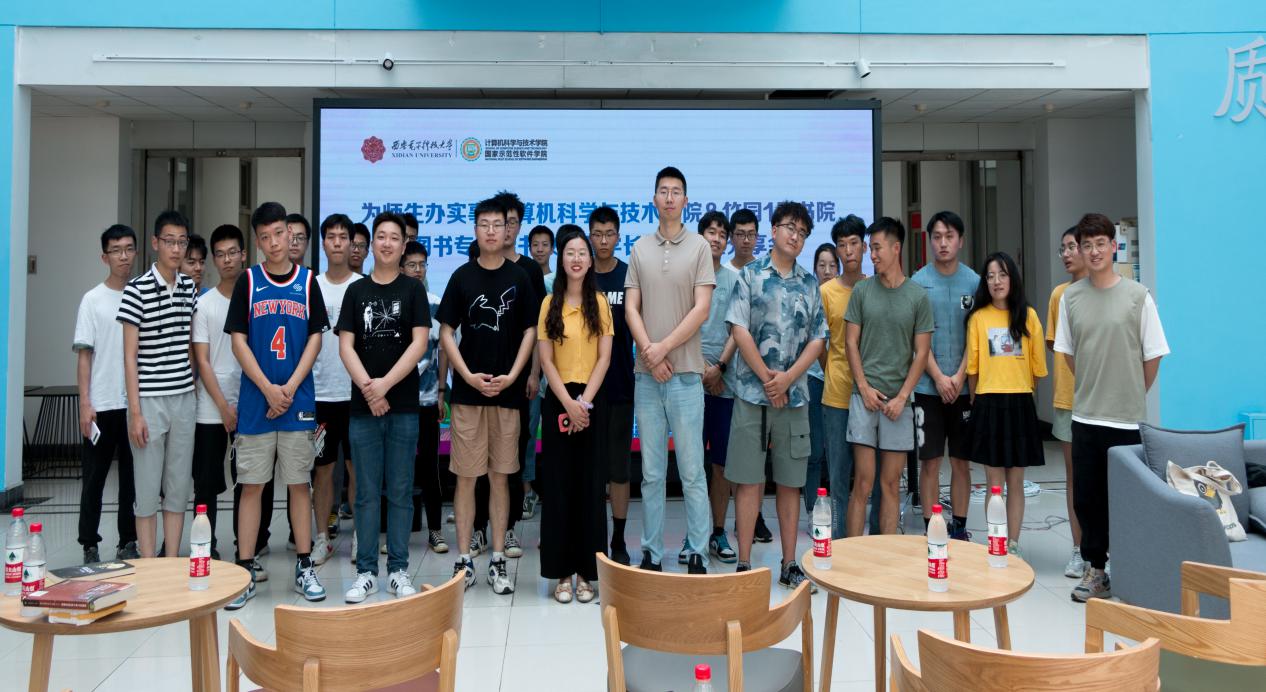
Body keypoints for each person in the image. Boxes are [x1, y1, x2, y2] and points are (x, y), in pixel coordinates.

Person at [1055, 213, 1168, 602]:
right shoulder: (1071, 298)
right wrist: (1096, 384)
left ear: (1113, 246)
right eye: (1086, 245)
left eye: (1100, 243)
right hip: (1086, 415)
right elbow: (1070, 354)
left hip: (1127, 420)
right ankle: (1096, 571)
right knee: (1088, 499)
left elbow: (1153, 355)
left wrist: (1132, 391)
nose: (1094, 251)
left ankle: (1132, 569)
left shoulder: (1138, 296)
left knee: (1127, 499)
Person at [224, 202, 328, 610]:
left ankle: (304, 565)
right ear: (257, 241)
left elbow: (315, 339)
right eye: (265, 237)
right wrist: (268, 389)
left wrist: (288, 388)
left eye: (279, 234)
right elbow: (238, 341)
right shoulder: (248, 281)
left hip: (297, 400)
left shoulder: (307, 281)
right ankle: (245, 569)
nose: (274, 242)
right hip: (256, 402)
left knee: (299, 484)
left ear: (290, 234)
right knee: (252, 486)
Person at [726, 201, 825, 589]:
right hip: (753, 395)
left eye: (802, 232)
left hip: (794, 397)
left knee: (790, 482)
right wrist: (769, 379)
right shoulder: (750, 275)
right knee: (748, 480)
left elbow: (817, 340)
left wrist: (787, 380)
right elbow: (739, 329)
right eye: (789, 227)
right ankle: (744, 564)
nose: (795, 236)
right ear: (774, 230)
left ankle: (789, 563)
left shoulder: (810, 284)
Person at [439, 197, 535, 594]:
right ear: (475, 230)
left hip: (507, 395)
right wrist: (465, 375)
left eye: (498, 224)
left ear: (508, 229)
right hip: (468, 394)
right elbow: (446, 332)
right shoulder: (462, 277)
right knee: (466, 477)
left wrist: (513, 376)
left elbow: (531, 331)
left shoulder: (521, 277)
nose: (492, 231)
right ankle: (464, 559)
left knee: (500, 477)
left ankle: (497, 559)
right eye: (485, 225)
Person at [625, 166, 715, 574]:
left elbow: (702, 309)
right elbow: (631, 308)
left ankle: (697, 550)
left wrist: (662, 349)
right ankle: (651, 552)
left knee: (692, 470)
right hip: (647, 377)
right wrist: (650, 353)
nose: (669, 197)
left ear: (685, 200)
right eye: (663, 191)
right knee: (651, 472)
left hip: (686, 376)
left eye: (676, 191)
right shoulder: (640, 248)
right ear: (654, 199)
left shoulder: (699, 247)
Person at [338, 211, 430, 603]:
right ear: (371, 243)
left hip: (403, 405)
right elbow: (345, 345)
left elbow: (419, 343)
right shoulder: (356, 291)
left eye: (394, 237)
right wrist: (369, 389)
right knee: (365, 492)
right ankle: (365, 572)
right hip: (363, 407)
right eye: (381, 236)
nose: (387, 243)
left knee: (401, 490)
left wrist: (385, 386)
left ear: (403, 245)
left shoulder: (413, 291)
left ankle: (398, 569)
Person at [468, 191, 545, 560]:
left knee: (511, 458)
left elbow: (536, 328)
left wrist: (532, 374)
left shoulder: (528, 271)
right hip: (477, 382)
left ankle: (508, 528)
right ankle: (479, 530)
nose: (504, 229)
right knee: (477, 462)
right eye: (498, 223)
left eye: (510, 223)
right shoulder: (474, 265)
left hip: (517, 381)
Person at [844, 217, 933, 536]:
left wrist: (902, 397)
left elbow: (921, 352)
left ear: (896, 248)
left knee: (891, 484)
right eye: (871, 248)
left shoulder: (917, 296)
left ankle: (886, 557)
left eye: (877, 248)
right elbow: (850, 343)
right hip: (864, 399)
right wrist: (864, 387)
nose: (872, 255)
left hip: (900, 403)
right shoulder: (862, 291)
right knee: (863, 483)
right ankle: (852, 557)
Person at [537, 228, 613, 603]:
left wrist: (584, 403)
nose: (577, 258)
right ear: (561, 259)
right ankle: (562, 574)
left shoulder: (600, 303)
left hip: (591, 402)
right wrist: (568, 402)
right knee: (559, 487)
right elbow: (546, 361)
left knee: (590, 488)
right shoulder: (548, 303)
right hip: (558, 401)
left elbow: (605, 358)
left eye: (583, 252)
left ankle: (587, 573)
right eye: (570, 252)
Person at [117, 210, 198, 559]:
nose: (176, 249)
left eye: (182, 242)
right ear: (155, 243)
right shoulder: (136, 290)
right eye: (169, 242)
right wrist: (135, 413)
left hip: (184, 398)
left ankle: (172, 562)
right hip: (148, 401)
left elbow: (190, 343)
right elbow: (129, 356)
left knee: (178, 488)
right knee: (147, 489)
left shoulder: (189, 288)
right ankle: (150, 567)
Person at [965, 252, 1047, 557]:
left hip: (1020, 402)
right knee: (993, 482)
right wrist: (978, 401)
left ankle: (1013, 544)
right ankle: (995, 542)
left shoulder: (1029, 316)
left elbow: (1037, 370)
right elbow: (973, 369)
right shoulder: (978, 318)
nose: (996, 281)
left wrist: (1021, 393)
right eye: (990, 276)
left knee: (1016, 481)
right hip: (988, 402)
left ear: (1013, 278)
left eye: (1002, 274)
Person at [74, 224, 141, 564]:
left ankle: (128, 540)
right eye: (116, 250)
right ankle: (89, 543)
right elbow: (84, 355)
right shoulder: (93, 300)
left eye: (128, 249)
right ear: (105, 257)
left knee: (131, 479)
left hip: (134, 405)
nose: (123, 256)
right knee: (94, 479)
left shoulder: (141, 295)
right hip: (101, 405)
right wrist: (85, 403)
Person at [910, 211, 979, 539]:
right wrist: (938, 377)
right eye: (937, 237)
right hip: (927, 388)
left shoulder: (975, 282)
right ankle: (931, 529)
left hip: (964, 390)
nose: (943, 243)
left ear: (960, 240)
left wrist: (960, 376)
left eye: (949, 236)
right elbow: (915, 339)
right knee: (931, 462)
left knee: (962, 462)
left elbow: (977, 336)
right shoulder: (917, 282)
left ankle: (960, 528)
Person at [191, 224, 245, 562]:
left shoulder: (253, 299)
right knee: (206, 482)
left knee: (247, 480)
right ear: (214, 259)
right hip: (210, 406)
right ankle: (204, 546)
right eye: (220, 254)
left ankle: (247, 545)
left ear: (243, 255)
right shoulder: (204, 304)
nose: (227, 260)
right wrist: (224, 407)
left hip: (248, 401)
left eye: (232, 253)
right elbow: (203, 361)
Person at [311, 213, 362, 565]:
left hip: (356, 394)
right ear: (324, 243)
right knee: (323, 469)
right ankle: (321, 538)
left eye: (344, 237)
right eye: (332, 237)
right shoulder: (311, 286)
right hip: (320, 394)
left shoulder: (363, 286)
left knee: (357, 468)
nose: (338, 243)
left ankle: (360, 536)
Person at [588, 206, 637, 564]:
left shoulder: (628, 276)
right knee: (590, 471)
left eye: (609, 234)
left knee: (619, 470)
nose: (603, 240)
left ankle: (618, 539)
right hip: (584, 390)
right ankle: (593, 537)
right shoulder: (581, 275)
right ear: (590, 236)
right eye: (597, 234)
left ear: (618, 237)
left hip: (621, 384)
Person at [821, 216, 870, 539]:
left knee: (870, 478)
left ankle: (874, 543)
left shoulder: (875, 287)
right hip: (836, 395)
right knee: (838, 477)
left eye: (854, 243)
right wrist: (834, 370)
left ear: (864, 247)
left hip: (872, 396)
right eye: (842, 245)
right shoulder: (826, 292)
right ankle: (839, 543)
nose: (848, 250)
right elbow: (821, 344)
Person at [727, 207, 774, 542]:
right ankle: (735, 520)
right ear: (732, 237)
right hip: (726, 379)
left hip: (759, 381)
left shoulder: (765, 274)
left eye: (751, 234)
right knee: (732, 460)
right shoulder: (723, 272)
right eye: (740, 234)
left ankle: (755, 517)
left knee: (759, 455)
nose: (746, 240)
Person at [695, 211, 739, 565]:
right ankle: (693, 534)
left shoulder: (735, 279)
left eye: (722, 234)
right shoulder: (687, 277)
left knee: (721, 464)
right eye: (711, 232)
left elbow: (739, 329)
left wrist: (719, 367)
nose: (717, 238)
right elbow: (679, 324)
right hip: (689, 381)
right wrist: (701, 369)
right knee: (692, 464)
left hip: (725, 382)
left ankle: (719, 531)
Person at [401, 240, 448, 554]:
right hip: (398, 402)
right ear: (401, 267)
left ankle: (435, 530)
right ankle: (400, 532)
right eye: (412, 265)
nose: (418, 270)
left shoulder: (435, 303)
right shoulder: (394, 301)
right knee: (400, 470)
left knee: (431, 468)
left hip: (429, 399)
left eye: (422, 265)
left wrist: (442, 390)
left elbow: (442, 351)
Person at [1048, 227, 1088, 577]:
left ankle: (1103, 549)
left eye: (1072, 247)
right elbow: (1054, 343)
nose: (1066, 254)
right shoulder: (1059, 295)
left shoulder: (1106, 291)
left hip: (1100, 400)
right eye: (1063, 248)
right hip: (1067, 396)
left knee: (1101, 477)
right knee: (1073, 476)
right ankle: (1078, 549)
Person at [803, 243, 838, 517]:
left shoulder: (847, 296)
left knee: (837, 452)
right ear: (814, 268)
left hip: (839, 382)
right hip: (814, 379)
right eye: (822, 265)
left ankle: (837, 508)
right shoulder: (808, 298)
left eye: (832, 265)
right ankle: (812, 508)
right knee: (814, 450)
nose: (827, 270)